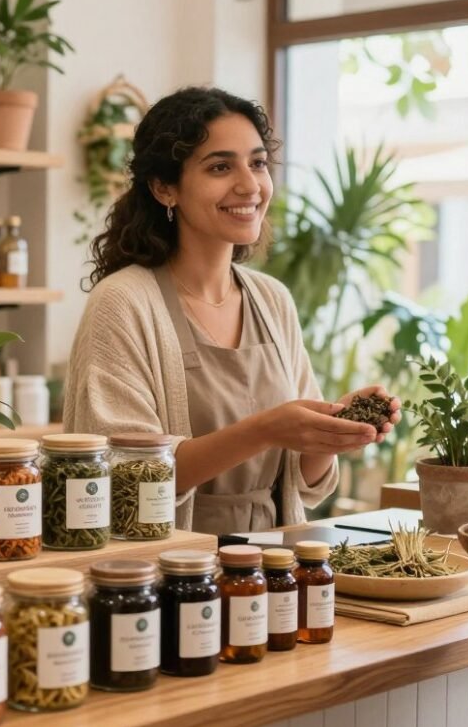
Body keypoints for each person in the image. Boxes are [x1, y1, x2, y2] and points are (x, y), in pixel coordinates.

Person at [63, 87, 401, 535]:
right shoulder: (122, 302)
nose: (250, 185)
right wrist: (264, 430)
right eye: (221, 166)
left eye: (258, 163)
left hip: (277, 567)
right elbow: (126, 480)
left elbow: (306, 486)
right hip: (167, 572)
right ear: (165, 188)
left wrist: (331, 432)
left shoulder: (271, 298)